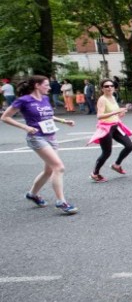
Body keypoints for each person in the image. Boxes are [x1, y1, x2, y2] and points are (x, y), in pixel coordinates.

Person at [0, 75, 78, 214]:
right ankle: (61, 202)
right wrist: (25, 127)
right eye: (46, 85)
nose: (49, 87)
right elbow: (5, 117)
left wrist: (63, 121)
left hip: (51, 136)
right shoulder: (23, 100)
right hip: (36, 137)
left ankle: (32, 194)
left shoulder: (45, 99)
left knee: (49, 171)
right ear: (37, 85)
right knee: (58, 167)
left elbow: (47, 115)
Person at [87, 78, 132, 182]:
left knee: (129, 146)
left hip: (115, 126)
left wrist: (121, 113)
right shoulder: (102, 99)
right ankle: (94, 173)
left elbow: (115, 114)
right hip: (105, 128)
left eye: (111, 86)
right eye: (106, 86)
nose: (109, 88)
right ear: (102, 89)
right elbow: (99, 116)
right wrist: (116, 112)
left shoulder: (113, 97)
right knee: (107, 152)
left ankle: (116, 165)